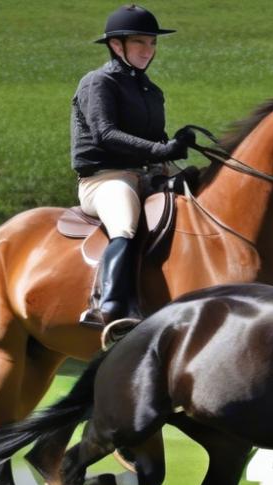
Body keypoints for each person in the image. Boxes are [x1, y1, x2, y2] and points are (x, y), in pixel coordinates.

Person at [71, 4, 195, 327]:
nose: (148, 50)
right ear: (116, 45)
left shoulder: (152, 91)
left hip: (148, 174)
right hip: (105, 179)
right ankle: (108, 306)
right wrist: (160, 148)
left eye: (152, 43)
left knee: (199, 193)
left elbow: (157, 141)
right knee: (125, 222)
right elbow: (106, 134)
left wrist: (177, 144)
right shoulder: (98, 83)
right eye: (140, 42)